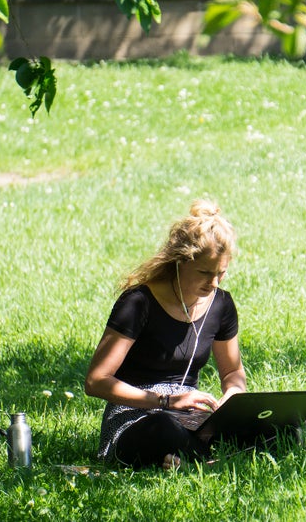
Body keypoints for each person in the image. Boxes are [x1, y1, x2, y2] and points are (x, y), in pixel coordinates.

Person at [84, 199, 247, 469]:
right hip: (136, 416)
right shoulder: (138, 303)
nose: (214, 283)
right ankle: (210, 457)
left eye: (221, 273)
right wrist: (166, 401)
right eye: (205, 273)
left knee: (304, 425)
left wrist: (232, 397)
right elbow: (96, 381)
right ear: (180, 263)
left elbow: (232, 372)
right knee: (163, 429)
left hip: (191, 416)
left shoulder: (221, 305)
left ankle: (186, 458)